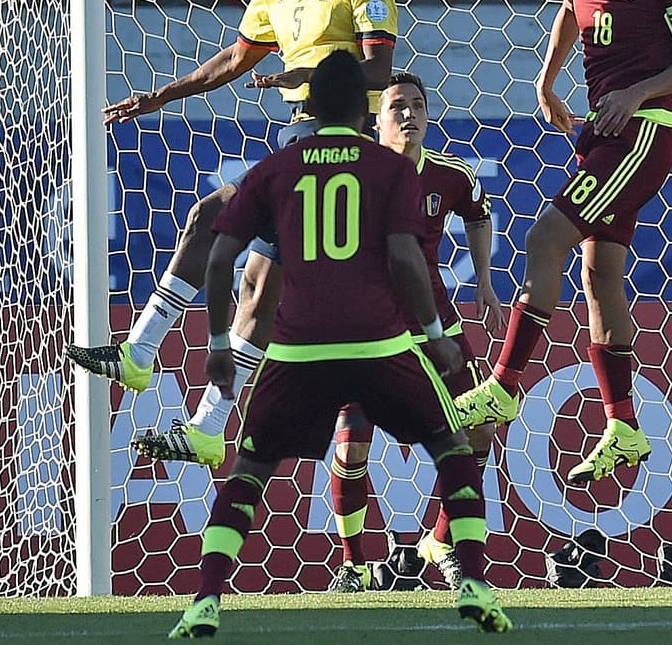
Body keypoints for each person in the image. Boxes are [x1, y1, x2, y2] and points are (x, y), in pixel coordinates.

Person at [167, 52, 511, 638]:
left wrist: (220, 342)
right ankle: (475, 584)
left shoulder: (277, 167)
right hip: (380, 344)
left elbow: (222, 256)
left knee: (250, 470)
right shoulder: (388, 170)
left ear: (310, 108)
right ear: (364, 112)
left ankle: (204, 600)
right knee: (452, 447)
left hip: (298, 349)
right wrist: (434, 334)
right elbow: (404, 258)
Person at [69, 0, 398, 470]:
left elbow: (378, 70)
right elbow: (231, 61)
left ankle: (140, 352)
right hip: (302, 138)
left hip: (343, 140)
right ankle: (205, 428)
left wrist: (309, 73)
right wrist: (161, 95)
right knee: (258, 288)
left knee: (210, 217)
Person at [452, 0, 672, 486]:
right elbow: (571, 12)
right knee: (599, 278)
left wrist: (638, 91)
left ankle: (503, 387)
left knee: (543, 240)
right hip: (602, 131)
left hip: (643, 133)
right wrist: (547, 80)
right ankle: (623, 425)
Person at [324, 72, 506, 592]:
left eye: (418, 105)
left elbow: (478, 214)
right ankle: (353, 565)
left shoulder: (451, 174)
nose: (410, 114)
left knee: (480, 429)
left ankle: (442, 541)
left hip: (436, 326)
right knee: (352, 444)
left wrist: (485, 282)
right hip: (367, 331)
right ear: (375, 121)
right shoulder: (351, 172)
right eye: (398, 106)